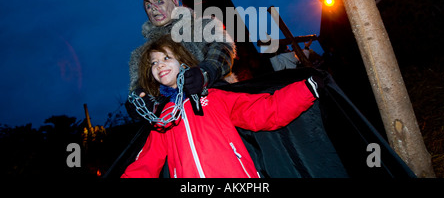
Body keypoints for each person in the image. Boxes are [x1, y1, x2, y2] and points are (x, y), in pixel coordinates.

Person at [121, 35, 321, 178]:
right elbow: (146, 162)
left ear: (182, 62)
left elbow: (264, 111)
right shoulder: (163, 119)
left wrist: (308, 88)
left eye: (166, 58)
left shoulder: (215, 96)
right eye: (153, 63)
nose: (159, 65)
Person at [127, 0, 237, 119]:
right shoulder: (141, 55)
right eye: (148, 7)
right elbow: (139, 87)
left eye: (159, 1)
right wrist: (138, 99)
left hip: (218, 106)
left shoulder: (203, 26)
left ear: (175, 2)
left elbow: (223, 48)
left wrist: (205, 73)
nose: (153, 8)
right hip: (174, 120)